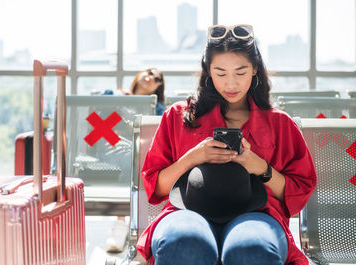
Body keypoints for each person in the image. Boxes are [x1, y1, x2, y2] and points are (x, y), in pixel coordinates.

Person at [136, 24, 317, 265]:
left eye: (240, 72)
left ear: (254, 69)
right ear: (208, 71)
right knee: (184, 243)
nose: (230, 84)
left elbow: (297, 192)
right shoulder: (179, 116)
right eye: (221, 73)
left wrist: (259, 166)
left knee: (252, 249)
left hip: (258, 214)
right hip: (187, 211)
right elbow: (156, 187)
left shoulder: (279, 123)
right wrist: (193, 158)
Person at [105, 68, 166, 253]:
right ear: (139, 74)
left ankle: (123, 226)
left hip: (139, 153)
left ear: (158, 87)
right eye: (148, 73)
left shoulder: (158, 110)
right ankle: (126, 225)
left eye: (156, 79)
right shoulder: (114, 96)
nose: (150, 78)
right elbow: (96, 122)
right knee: (132, 156)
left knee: (136, 155)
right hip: (113, 148)